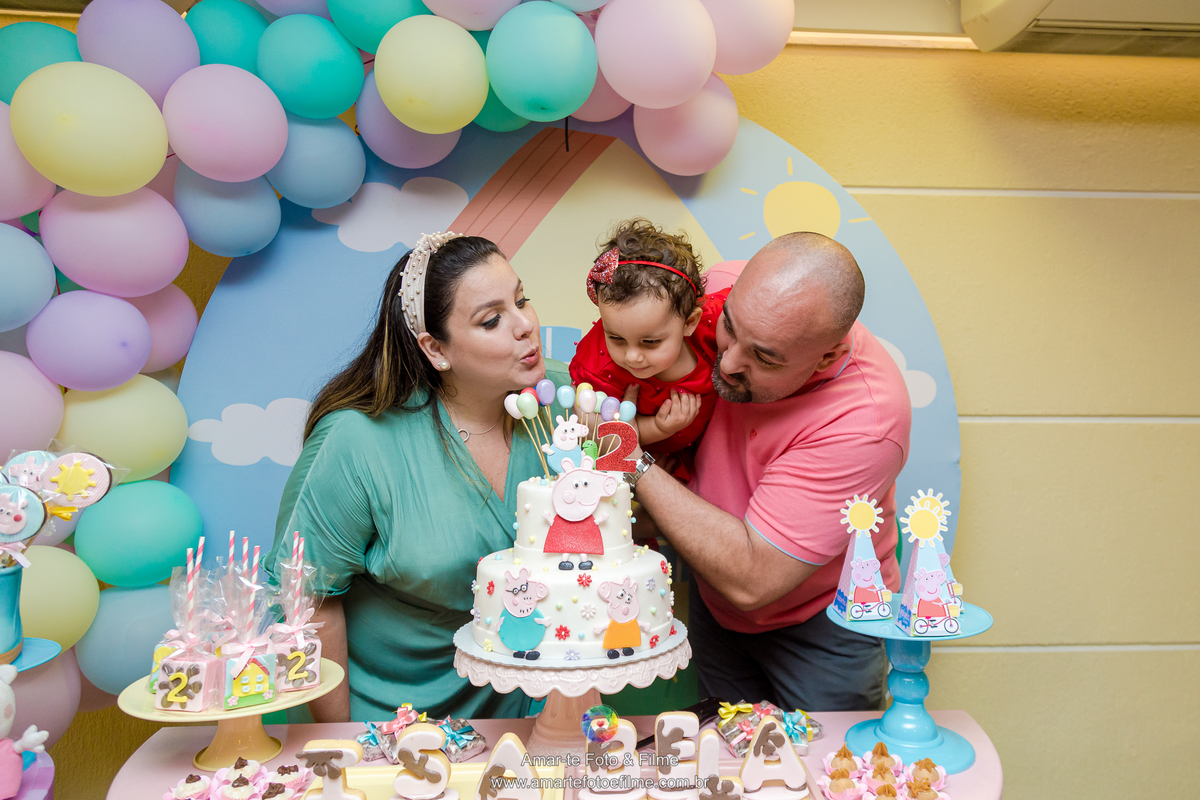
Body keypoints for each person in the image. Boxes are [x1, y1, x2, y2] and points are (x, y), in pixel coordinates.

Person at [264, 232, 569, 722]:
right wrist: (342, 745)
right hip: (391, 718)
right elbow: (307, 597)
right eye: (492, 319)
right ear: (435, 347)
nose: (525, 326)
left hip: (534, 705)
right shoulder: (358, 440)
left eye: (522, 300)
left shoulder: (560, 397)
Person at [628, 232, 912, 711]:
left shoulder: (868, 420)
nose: (729, 361)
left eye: (764, 357)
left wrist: (627, 455)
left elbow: (753, 580)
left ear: (828, 356)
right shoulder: (721, 287)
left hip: (825, 628)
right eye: (730, 327)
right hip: (715, 601)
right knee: (725, 765)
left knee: (820, 774)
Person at [569, 219, 727, 463]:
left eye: (650, 342)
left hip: (714, 443)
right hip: (648, 461)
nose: (631, 356)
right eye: (616, 338)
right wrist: (658, 428)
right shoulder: (600, 368)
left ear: (689, 323)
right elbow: (599, 435)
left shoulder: (714, 325)